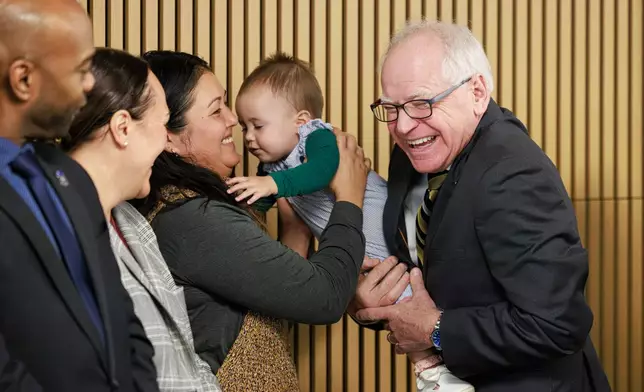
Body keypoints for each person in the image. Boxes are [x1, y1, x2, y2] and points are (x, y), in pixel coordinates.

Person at [350, 20, 611, 392]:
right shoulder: (416, 148)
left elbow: (557, 324)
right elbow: (424, 278)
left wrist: (433, 330)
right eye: (392, 108)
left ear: (477, 91)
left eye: (421, 104)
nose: (404, 126)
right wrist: (370, 303)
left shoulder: (513, 173)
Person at [132, 50, 369, 392]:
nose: (233, 121)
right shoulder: (193, 220)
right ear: (169, 136)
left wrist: (294, 231)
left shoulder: (190, 205)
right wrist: (349, 196)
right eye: (216, 110)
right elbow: (325, 297)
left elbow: (275, 300)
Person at [0, 1, 158, 391]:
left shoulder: (66, 175)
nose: (90, 86)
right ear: (23, 80)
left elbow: (120, 314)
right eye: (81, 70)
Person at [62, 47, 221, 392]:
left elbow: (187, 361)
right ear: (122, 128)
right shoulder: (52, 237)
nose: (167, 142)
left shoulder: (132, 222)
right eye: (164, 125)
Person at [228, 52, 413, 302]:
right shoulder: (272, 167)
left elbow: (322, 171)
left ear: (301, 122)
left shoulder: (318, 138)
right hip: (361, 253)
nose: (249, 137)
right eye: (244, 127)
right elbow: (256, 207)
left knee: (413, 293)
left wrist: (271, 185)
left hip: (393, 233)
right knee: (389, 300)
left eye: (258, 126)